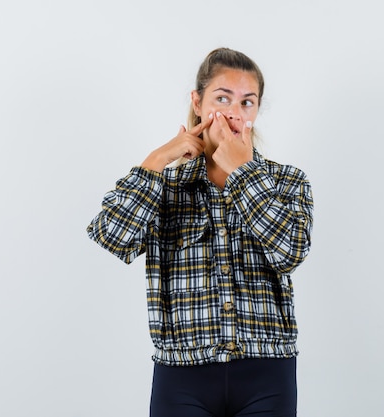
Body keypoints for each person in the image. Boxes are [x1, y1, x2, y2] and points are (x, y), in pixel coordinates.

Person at [86, 47, 313, 417]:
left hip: (267, 371)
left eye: (247, 103)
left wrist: (244, 173)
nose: (233, 113)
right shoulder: (167, 184)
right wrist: (157, 160)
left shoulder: (287, 182)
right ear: (197, 101)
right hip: (182, 375)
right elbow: (113, 236)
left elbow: (290, 252)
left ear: (257, 111)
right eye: (222, 98)